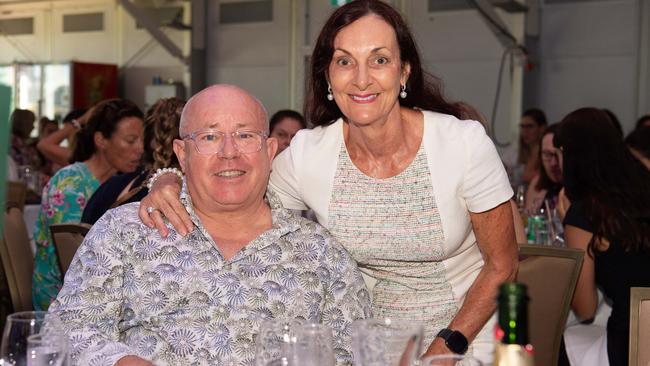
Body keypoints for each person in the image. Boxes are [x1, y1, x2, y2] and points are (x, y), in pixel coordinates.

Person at [138, 1, 518, 362]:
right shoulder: (310, 155)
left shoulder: (462, 145)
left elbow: (503, 264)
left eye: (380, 60)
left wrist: (442, 350)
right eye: (344, 62)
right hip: (362, 342)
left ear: (404, 72)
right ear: (328, 77)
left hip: (466, 335)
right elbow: (237, 185)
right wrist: (168, 178)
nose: (362, 79)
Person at [49, 85, 371, 366]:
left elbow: (359, 353)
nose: (229, 153)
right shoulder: (126, 232)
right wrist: (121, 361)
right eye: (210, 137)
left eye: (245, 136)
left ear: (270, 150)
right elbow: (63, 330)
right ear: (182, 153)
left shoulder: (320, 254)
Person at [557, 108, 650, 366]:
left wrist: (569, 226)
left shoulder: (586, 213)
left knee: (559, 344)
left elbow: (585, 309)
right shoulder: (644, 188)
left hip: (632, 341)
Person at [32, 99, 144, 311]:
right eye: (131, 141)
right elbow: (72, 262)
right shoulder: (70, 187)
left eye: (142, 140)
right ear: (101, 140)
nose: (139, 149)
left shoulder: (126, 184)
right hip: (62, 299)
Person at [81, 97, 186, 225]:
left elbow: (82, 235)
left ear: (145, 140)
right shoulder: (192, 195)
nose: (137, 148)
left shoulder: (114, 185)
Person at [502, 108, 547, 185]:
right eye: (522, 126)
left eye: (530, 126)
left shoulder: (547, 153)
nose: (525, 131)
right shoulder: (516, 149)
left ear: (542, 128)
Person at [524, 123, 562, 214]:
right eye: (547, 154)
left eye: (557, 154)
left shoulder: (578, 192)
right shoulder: (537, 183)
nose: (553, 163)